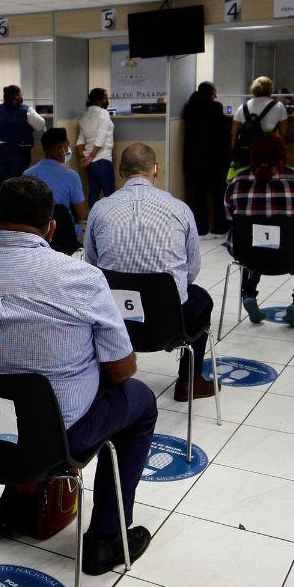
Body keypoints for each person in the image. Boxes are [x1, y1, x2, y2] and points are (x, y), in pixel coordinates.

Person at [0, 175, 157, 568]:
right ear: (51, 228)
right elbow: (121, 371)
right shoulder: (82, 278)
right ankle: (105, 538)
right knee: (141, 401)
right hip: (53, 444)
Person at [85, 144, 213, 402]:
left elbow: (92, 265)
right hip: (169, 324)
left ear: (120, 171)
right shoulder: (179, 209)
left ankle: (108, 377)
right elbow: (192, 270)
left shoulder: (99, 209)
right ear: (156, 169)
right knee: (201, 299)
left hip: (115, 321)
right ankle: (189, 381)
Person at [224, 133, 294, 328]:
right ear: (283, 153)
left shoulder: (236, 182)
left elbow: (230, 219)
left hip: (248, 255)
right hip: (292, 256)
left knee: (252, 241)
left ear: (252, 154)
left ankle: (248, 295)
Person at [24, 127, 87, 253]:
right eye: (67, 147)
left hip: (34, 236)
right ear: (59, 150)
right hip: (65, 237)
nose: (68, 150)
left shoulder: (27, 174)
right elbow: (81, 214)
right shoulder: (71, 176)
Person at [182, 82, 231, 236]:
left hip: (195, 160)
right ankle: (219, 225)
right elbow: (223, 134)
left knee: (199, 195)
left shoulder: (189, 108)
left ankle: (201, 227)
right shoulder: (215, 108)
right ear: (211, 93)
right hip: (215, 159)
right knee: (218, 194)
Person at [0, 84, 46, 207]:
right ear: (18, 95)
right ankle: (15, 214)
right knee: (17, 185)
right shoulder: (27, 110)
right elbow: (41, 124)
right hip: (19, 151)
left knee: (0, 183)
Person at [227, 76, 288, 182]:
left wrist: (234, 152)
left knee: (246, 180)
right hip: (269, 153)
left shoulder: (243, 107)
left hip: (246, 153)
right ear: (270, 90)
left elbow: (233, 133)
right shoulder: (279, 106)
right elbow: (284, 133)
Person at [77, 88, 115, 205]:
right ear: (100, 100)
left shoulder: (84, 116)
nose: (107, 100)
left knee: (94, 192)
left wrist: (84, 157)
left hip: (90, 163)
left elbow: (80, 142)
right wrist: (91, 156)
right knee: (110, 193)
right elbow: (101, 139)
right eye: (105, 98)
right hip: (102, 158)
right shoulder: (103, 113)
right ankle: (110, 216)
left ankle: (92, 216)